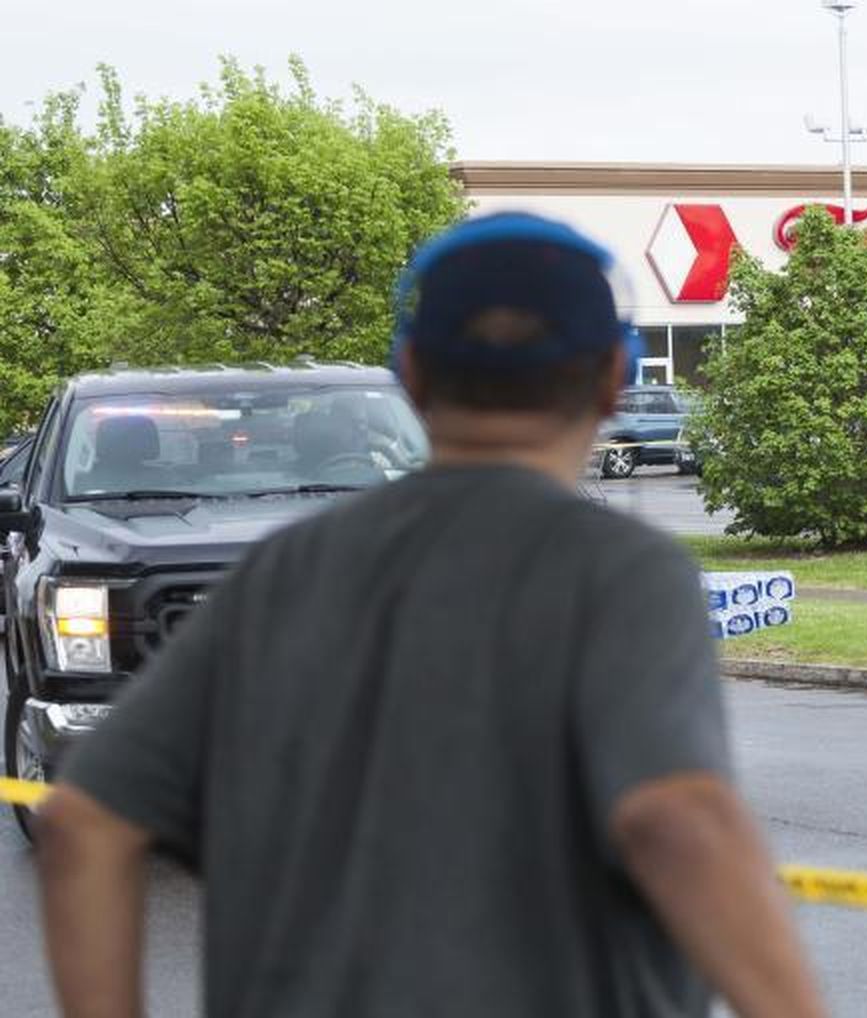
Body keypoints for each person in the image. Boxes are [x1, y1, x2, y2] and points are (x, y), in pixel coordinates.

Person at [36, 213, 826, 1018]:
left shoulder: (281, 574)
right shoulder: (622, 573)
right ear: (611, 381)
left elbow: (81, 821)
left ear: (411, 373)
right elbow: (675, 818)